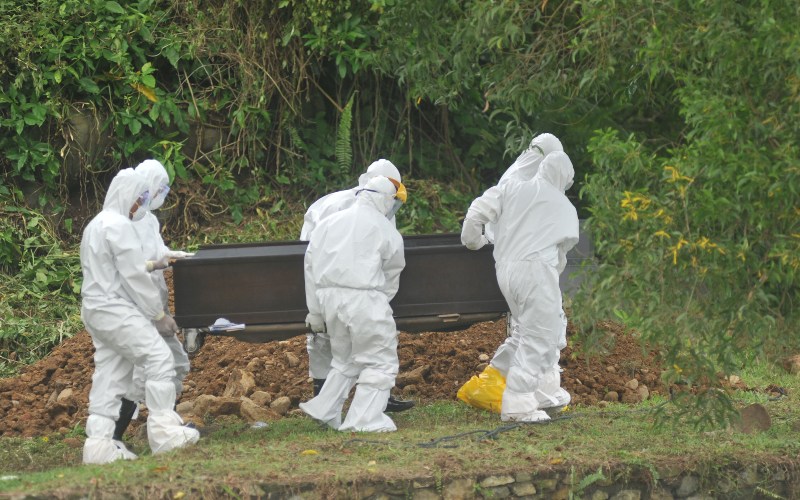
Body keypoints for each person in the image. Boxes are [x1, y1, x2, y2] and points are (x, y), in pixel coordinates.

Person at [80, 168, 199, 464]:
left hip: (96, 308)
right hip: (117, 309)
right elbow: (133, 276)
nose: (142, 204)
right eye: (140, 198)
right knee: (160, 359)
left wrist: (155, 263)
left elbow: (118, 267)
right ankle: (164, 435)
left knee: (110, 375)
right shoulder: (119, 225)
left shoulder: (96, 224)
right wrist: (158, 315)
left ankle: (98, 447)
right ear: (127, 195)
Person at [460, 151, 579, 422]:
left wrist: (472, 240)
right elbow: (561, 255)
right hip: (537, 271)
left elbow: (477, 211)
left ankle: (540, 395)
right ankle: (519, 402)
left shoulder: (511, 186)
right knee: (541, 335)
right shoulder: (563, 206)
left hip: (505, 271)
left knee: (525, 331)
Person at [299, 159, 414, 413]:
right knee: (378, 357)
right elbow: (392, 267)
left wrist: (315, 308)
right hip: (362, 297)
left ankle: (324, 405)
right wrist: (380, 301)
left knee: (343, 358)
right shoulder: (354, 210)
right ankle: (365, 415)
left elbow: (309, 257)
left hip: (326, 293)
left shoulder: (335, 209)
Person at [481, 133, 571, 409]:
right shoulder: (522, 182)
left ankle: (506, 387)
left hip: (513, 264)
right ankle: (528, 396)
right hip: (526, 265)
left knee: (533, 330)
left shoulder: (517, 176)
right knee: (539, 330)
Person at [111, 159, 195, 443]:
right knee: (137, 376)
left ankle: (166, 429)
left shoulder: (149, 220)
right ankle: (114, 438)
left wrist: (172, 257)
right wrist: (154, 264)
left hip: (156, 306)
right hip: (135, 310)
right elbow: (127, 267)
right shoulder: (118, 222)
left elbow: (157, 254)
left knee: (171, 363)